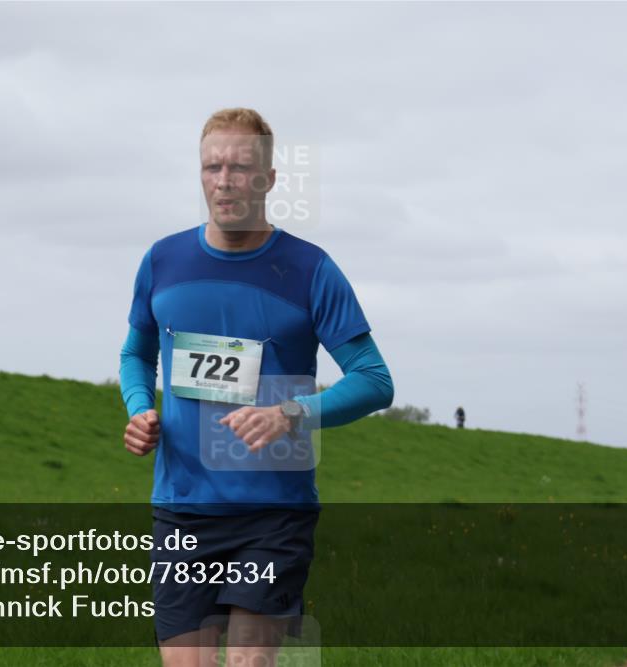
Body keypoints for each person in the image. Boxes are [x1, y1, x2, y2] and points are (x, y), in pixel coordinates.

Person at [119, 108, 394, 667]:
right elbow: (136, 354)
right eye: (212, 167)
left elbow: (374, 380)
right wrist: (140, 408)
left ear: (268, 179)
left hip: (273, 512)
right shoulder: (162, 260)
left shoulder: (310, 269)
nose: (224, 181)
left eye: (240, 168)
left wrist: (291, 413)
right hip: (182, 510)